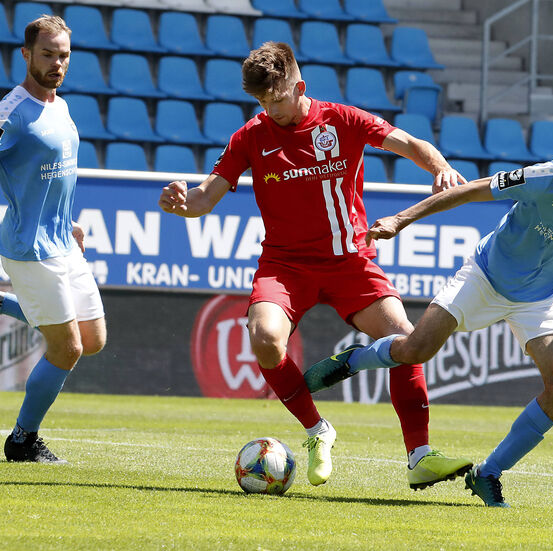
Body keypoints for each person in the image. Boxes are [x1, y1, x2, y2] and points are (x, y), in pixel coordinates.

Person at [302, 140, 553, 507]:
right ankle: (351, 361)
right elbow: (473, 189)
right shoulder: (549, 176)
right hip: (485, 277)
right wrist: (401, 219)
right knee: (414, 349)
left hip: (540, 298)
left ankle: (488, 473)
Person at [158, 42, 472, 490]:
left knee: (407, 339)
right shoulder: (251, 136)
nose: (270, 111)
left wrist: (439, 166)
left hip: (350, 262)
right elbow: (204, 198)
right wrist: (180, 204)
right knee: (265, 338)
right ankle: (317, 430)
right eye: (262, 102)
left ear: (299, 87)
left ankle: (420, 456)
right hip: (286, 266)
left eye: (277, 99)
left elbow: (409, 143)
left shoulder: (343, 120)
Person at [0, 16, 106, 463]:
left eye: (63, 56)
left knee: (92, 339)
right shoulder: (10, 111)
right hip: (30, 249)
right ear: (26, 55)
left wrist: (69, 221)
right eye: (48, 54)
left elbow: (55, 175)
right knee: (67, 347)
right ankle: (22, 439)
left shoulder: (61, 106)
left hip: (63, 241)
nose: (57, 63)